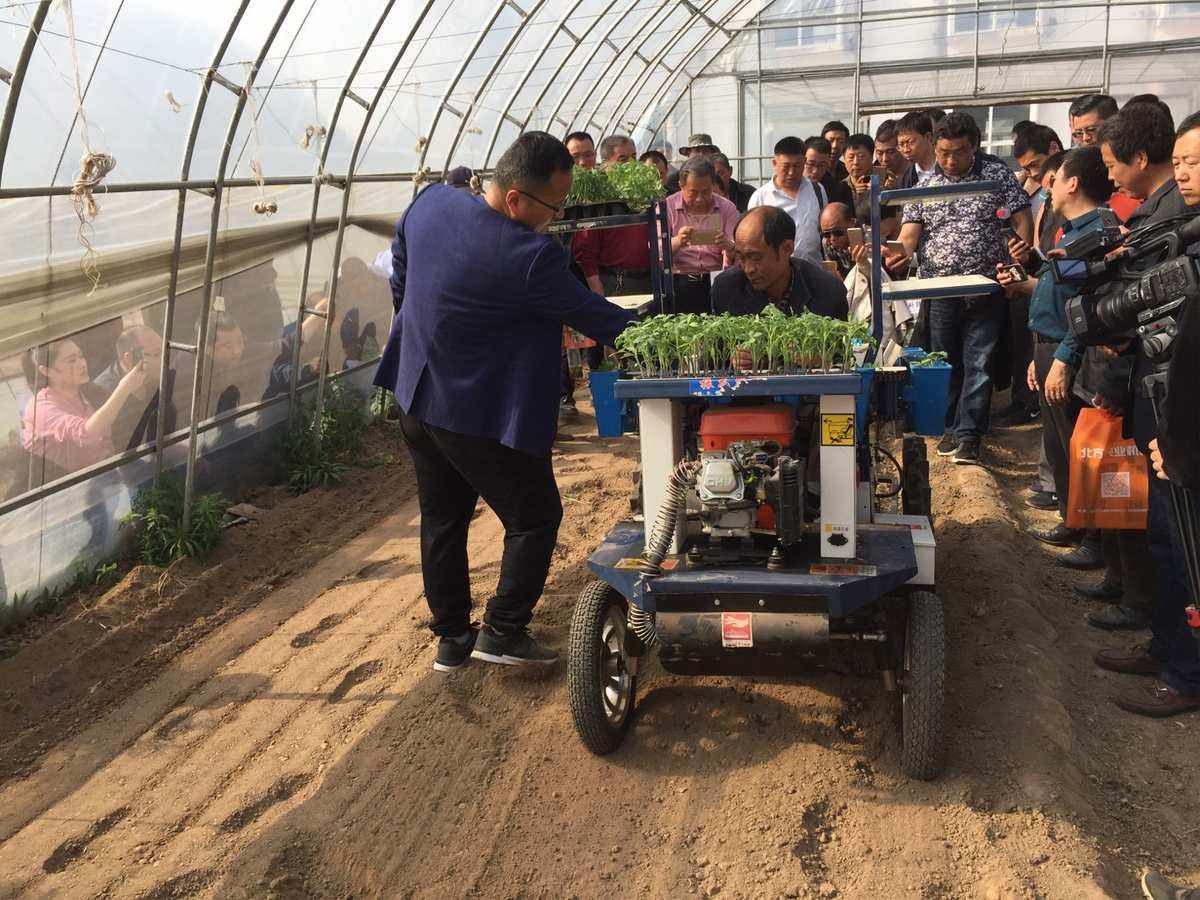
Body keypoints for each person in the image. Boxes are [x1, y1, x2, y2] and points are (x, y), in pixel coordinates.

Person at [374, 132, 634, 672]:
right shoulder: (529, 255)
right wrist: (673, 334)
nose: (557, 217)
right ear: (515, 198)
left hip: (414, 393)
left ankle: (451, 639)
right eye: (553, 206)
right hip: (470, 411)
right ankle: (503, 630)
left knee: (442, 518)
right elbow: (600, 319)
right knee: (535, 516)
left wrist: (424, 327)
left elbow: (401, 271)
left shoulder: (432, 202)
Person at [1090, 105, 1200, 716]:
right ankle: (1167, 647)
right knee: (1163, 534)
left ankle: (1187, 673)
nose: (1182, 172)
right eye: (1179, 161)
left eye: (1193, 162)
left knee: (1183, 541)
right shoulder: (1176, 225)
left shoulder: (1179, 228)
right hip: (1163, 393)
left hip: (1182, 407)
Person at [896, 111, 1033, 465]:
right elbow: (909, 237)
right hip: (941, 289)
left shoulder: (995, 174)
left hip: (985, 285)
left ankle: (970, 434)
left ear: (974, 147)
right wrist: (893, 252)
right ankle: (950, 426)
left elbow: (1021, 215)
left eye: (958, 152)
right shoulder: (924, 187)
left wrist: (1022, 250)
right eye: (943, 153)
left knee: (980, 361)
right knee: (947, 360)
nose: (950, 161)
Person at [994, 124, 1066, 428]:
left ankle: (1033, 402)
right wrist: (1028, 256)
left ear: (1053, 149)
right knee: (1025, 340)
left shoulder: (1070, 195)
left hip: (1058, 292)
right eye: (1025, 169)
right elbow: (1046, 248)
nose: (1032, 175)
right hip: (1042, 278)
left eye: (1035, 165)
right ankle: (1024, 399)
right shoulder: (1045, 195)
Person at [21, 338, 147, 484]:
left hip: (105, 479)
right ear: (47, 371)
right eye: (71, 361)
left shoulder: (90, 392)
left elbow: (130, 418)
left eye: (81, 356)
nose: (82, 364)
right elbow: (86, 433)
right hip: (60, 494)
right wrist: (124, 389)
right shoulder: (40, 408)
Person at [712, 206, 848, 319]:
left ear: (787, 248)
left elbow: (850, 346)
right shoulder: (726, 289)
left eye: (755, 257)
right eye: (741, 258)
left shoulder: (828, 291)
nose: (748, 269)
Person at [573, 134, 652, 299]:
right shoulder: (598, 199)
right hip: (614, 283)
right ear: (606, 164)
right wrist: (596, 287)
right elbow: (585, 250)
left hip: (647, 279)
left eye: (634, 157)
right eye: (622, 159)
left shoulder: (643, 194)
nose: (632, 165)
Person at [665, 156, 738, 313]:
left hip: (717, 281)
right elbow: (655, 251)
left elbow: (738, 248)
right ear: (681, 186)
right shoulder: (667, 208)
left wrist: (728, 245)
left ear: (713, 185)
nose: (699, 198)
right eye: (693, 192)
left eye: (705, 192)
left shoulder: (727, 208)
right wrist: (677, 241)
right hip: (678, 284)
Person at [92, 324, 176, 451]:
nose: (167, 358)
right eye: (158, 353)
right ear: (129, 359)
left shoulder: (161, 375)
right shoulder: (103, 393)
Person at [747, 136, 825, 267]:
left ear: (804, 162)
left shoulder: (817, 190)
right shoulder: (760, 197)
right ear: (774, 164)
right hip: (775, 273)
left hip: (813, 270)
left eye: (797, 166)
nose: (791, 172)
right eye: (786, 166)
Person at [841, 132, 899, 238]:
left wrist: (887, 192)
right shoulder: (841, 187)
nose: (855, 162)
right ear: (844, 159)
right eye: (851, 157)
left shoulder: (887, 178)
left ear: (871, 157)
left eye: (861, 157)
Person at [807, 135, 854, 210]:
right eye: (811, 164)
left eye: (822, 165)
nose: (815, 171)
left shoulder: (840, 191)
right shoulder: (789, 186)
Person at [897, 110, 937, 190]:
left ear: (928, 137)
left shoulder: (949, 167)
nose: (906, 150)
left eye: (910, 142)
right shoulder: (906, 179)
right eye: (901, 145)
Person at [819, 202, 856, 278]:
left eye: (837, 232)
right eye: (826, 234)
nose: (832, 239)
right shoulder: (826, 243)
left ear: (852, 224)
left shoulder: (866, 240)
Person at [874, 119, 908, 187]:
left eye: (890, 152)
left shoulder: (917, 172)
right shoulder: (873, 173)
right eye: (879, 153)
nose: (885, 159)